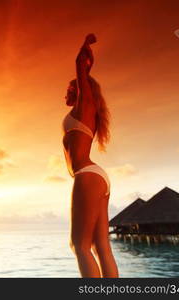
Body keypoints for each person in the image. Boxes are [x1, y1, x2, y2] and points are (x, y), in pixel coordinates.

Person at [62, 34, 119, 277]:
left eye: (70, 88)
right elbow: (84, 77)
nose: (66, 92)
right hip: (99, 177)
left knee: (80, 246)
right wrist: (86, 66)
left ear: (80, 90)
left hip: (87, 175)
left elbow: (82, 75)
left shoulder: (84, 108)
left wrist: (83, 54)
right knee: (100, 246)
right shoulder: (88, 112)